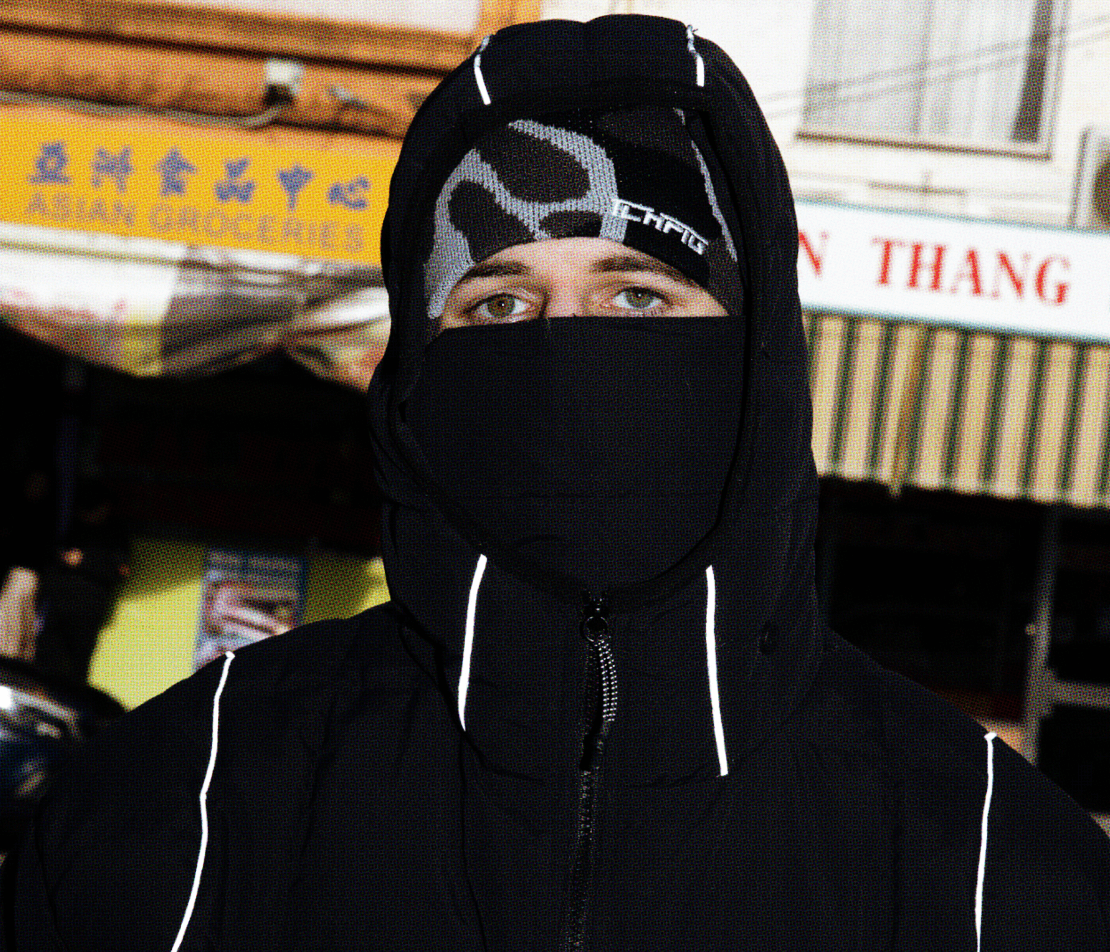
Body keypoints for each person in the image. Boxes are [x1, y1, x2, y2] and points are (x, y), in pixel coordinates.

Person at [2, 14, 1108, 950]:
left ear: (756, 357)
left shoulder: (990, 868)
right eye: (497, 306)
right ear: (417, 380)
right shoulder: (184, 808)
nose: (567, 353)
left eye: (638, 299)